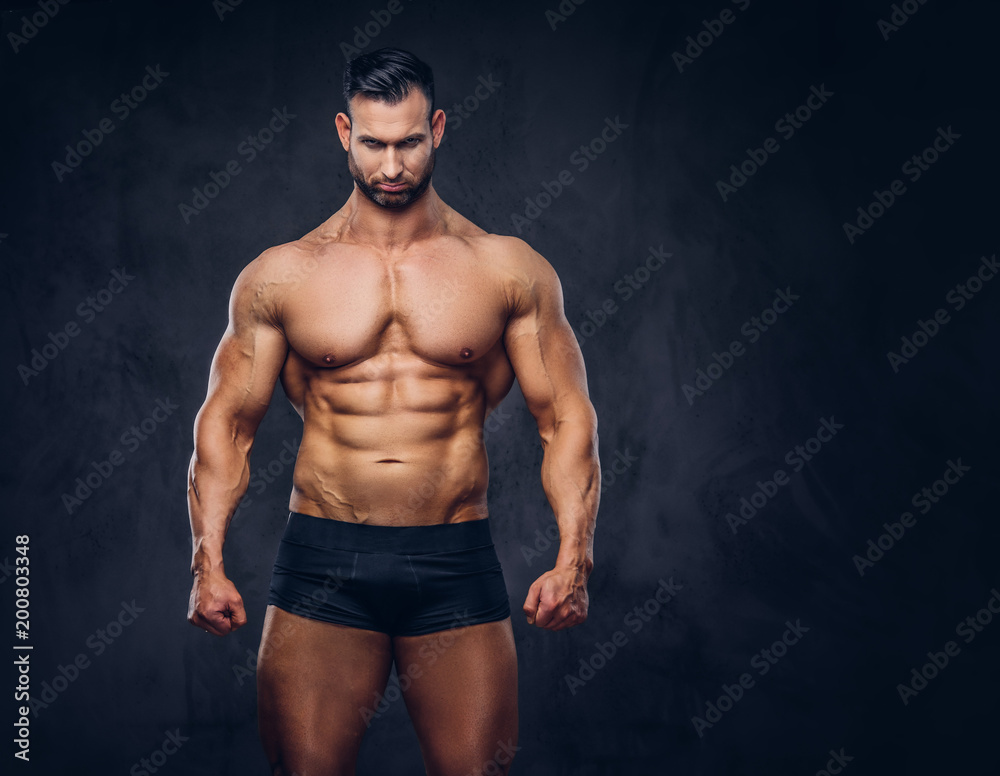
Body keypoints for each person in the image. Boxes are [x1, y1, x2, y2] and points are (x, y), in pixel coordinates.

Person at [185, 47, 600, 776]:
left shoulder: (505, 268)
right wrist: (206, 562)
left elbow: (566, 417)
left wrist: (575, 557)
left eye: (409, 141)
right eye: (373, 143)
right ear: (343, 132)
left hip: (454, 560)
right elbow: (226, 424)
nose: (392, 166)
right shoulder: (281, 275)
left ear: (437, 128)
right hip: (324, 559)